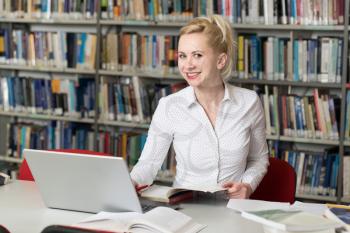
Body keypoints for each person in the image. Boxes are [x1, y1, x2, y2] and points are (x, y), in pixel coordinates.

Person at [130, 14, 269, 199]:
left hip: (232, 210)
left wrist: (247, 185)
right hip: (184, 208)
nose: (187, 65)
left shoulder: (249, 102)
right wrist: (129, 183)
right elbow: (148, 164)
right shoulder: (168, 106)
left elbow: (258, 159)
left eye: (197, 55)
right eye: (182, 56)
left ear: (221, 61)